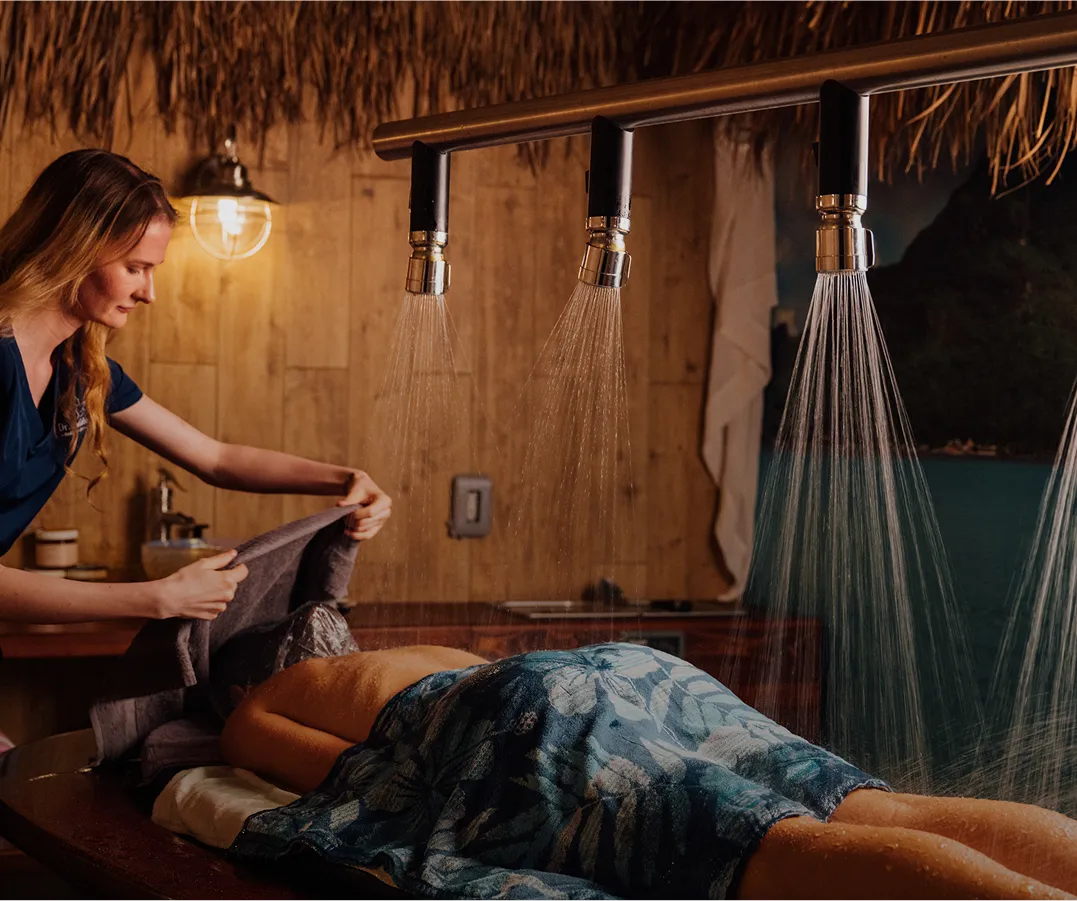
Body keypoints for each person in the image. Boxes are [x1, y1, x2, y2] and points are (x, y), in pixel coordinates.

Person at [221, 641, 1077, 900]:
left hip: (537, 710)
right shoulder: (430, 652)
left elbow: (308, 758)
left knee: (770, 847)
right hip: (636, 668)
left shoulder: (288, 685)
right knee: (880, 810)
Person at [0, 149, 392, 624]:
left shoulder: (80, 371)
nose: (149, 293)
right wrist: (153, 599)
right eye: (135, 268)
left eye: (153, 270)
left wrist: (347, 480)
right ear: (72, 248)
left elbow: (216, 459)